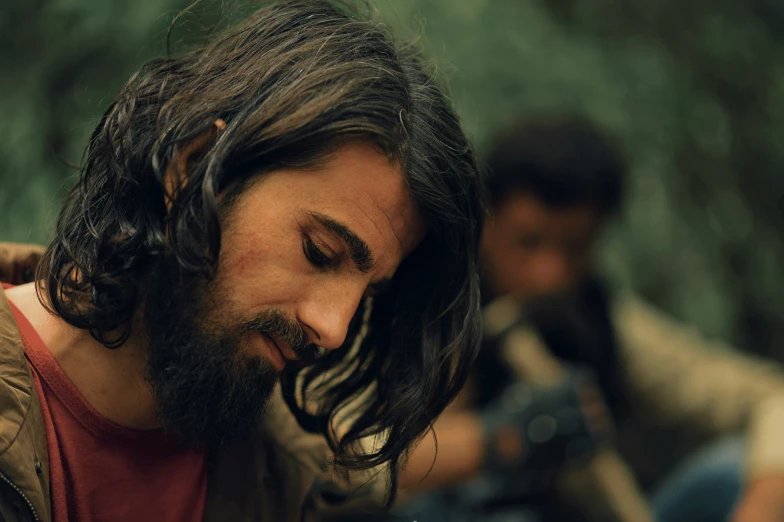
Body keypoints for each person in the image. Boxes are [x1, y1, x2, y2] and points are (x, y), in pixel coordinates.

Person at [0, 2, 486, 521]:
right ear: (193, 167)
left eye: (368, 294)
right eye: (319, 253)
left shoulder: (292, 486)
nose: (334, 328)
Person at [392, 114, 784, 522]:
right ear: (487, 221)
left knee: (733, 468)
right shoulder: (432, 307)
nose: (549, 274)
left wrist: (763, 504)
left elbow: (769, 397)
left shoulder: (602, 316)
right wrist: (504, 435)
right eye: (528, 242)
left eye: (574, 247)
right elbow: (364, 467)